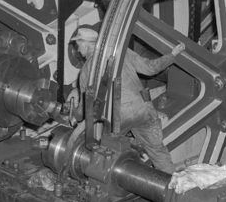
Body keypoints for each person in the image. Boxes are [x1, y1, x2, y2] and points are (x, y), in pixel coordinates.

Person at [67, 27, 184, 174]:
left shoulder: (86, 70)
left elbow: (86, 105)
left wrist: (76, 117)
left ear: (85, 44)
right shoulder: (122, 52)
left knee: (105, 151)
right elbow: (151, 68)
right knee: (157, 151)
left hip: (119, 114)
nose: (78, 50)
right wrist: (172, 54)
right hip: (143, 107)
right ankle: (173, 184)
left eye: (78, 45)